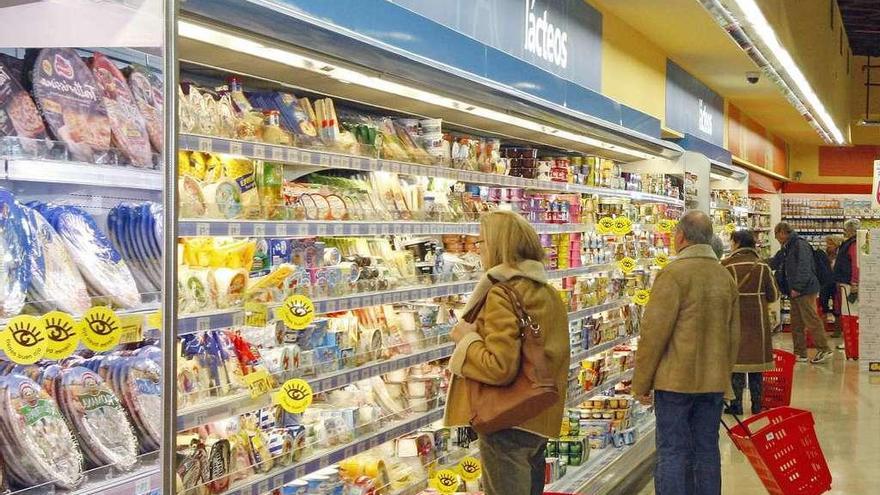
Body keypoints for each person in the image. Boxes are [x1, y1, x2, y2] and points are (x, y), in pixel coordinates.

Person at [445, 210, 569, 495]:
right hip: (538, 416)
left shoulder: (502, 293)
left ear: (499, 246)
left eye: (481, 243)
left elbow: (499, 367)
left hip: (506, 419)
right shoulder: (547, 292)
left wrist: (467, 341)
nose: (479, 251)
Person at [633, 210, 740, 495]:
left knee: (672, 451)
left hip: (675, 383)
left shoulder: (673, 274)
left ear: (680, 237)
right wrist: (724, 377)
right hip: (713, 382)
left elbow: (654, 335)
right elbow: (733, 335)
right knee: (706, 451)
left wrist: (641, 383)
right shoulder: (724, 276)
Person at [721, 230, 780, 416]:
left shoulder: (726, 266)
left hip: (734, 321)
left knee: (736, 364)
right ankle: (757, 404)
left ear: (737, 243)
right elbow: (774, 295)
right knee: (757, 367)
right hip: (758, 323)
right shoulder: (762, 266)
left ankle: (735, 404)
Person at [770, 222, 833, 364]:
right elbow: (775, 261)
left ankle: (824, 349)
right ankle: (800, 353)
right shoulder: (787, 247)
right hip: (795, 291)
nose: (776, 238)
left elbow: (805, 268)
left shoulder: (799, 245)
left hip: (804, 289)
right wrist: (757, 263)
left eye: (776, 235)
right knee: (796, 322)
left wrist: (797, 287)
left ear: (782, 232)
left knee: (811, 319)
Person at [833, 219, 860, 352]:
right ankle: (850, 340)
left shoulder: (853, 244)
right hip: (845, 282)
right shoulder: (850, 242)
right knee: (847, 313)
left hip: (849, 284)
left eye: (846, 229)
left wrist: (855, 282)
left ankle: (852, 342)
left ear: (851, 230)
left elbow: (855, 264)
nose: (844, 231)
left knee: (850, 313)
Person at [822, 236, 843, 338]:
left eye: (831, 244)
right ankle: (822, 331)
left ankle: (837, 331)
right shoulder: (824, 256)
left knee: (837, 308)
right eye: (827, 244)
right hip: (825, 284)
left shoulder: (841, 256)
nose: (828, 246)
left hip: (837, 284)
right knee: (823, 306)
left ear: (837, 245)